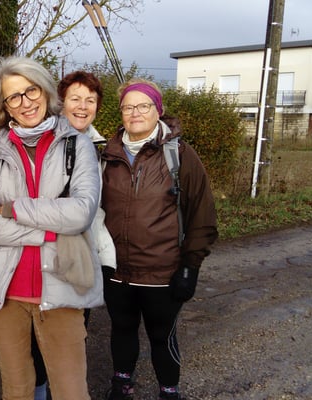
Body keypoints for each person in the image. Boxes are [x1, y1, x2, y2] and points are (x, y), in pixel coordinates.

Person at [0, 56, 101, 400]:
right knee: (17, 390)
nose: (25, 102)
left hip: (62, 287)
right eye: (14, 96)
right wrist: (50, 231)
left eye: (31, 90)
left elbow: (80, 213)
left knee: (71, 392)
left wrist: (14, 209)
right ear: (4, 106)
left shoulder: (77, 144)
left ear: (45, 91)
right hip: (5, 292)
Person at [100, 78, 218, 400]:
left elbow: (202, 215)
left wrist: (190, 267)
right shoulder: (106, 155)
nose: (135, 112)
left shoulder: (179, 155)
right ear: (121, 113)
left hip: (162, 274)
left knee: (162, 336)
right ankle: (122, 384)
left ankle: (169, 391)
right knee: (121, 329)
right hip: (116, 272)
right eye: (128, 107)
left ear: (158, 110)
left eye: (143, 105)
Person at [30, 70, 118, 399]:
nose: (82, 106)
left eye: (90, 100)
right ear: (60, 103)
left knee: (73, 339)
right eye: (75, 99)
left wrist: (106, 258)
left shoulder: (100, 148)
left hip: (85, 255)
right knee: (38, 339)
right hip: (46, 253)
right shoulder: (42, 141)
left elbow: (100, 210)